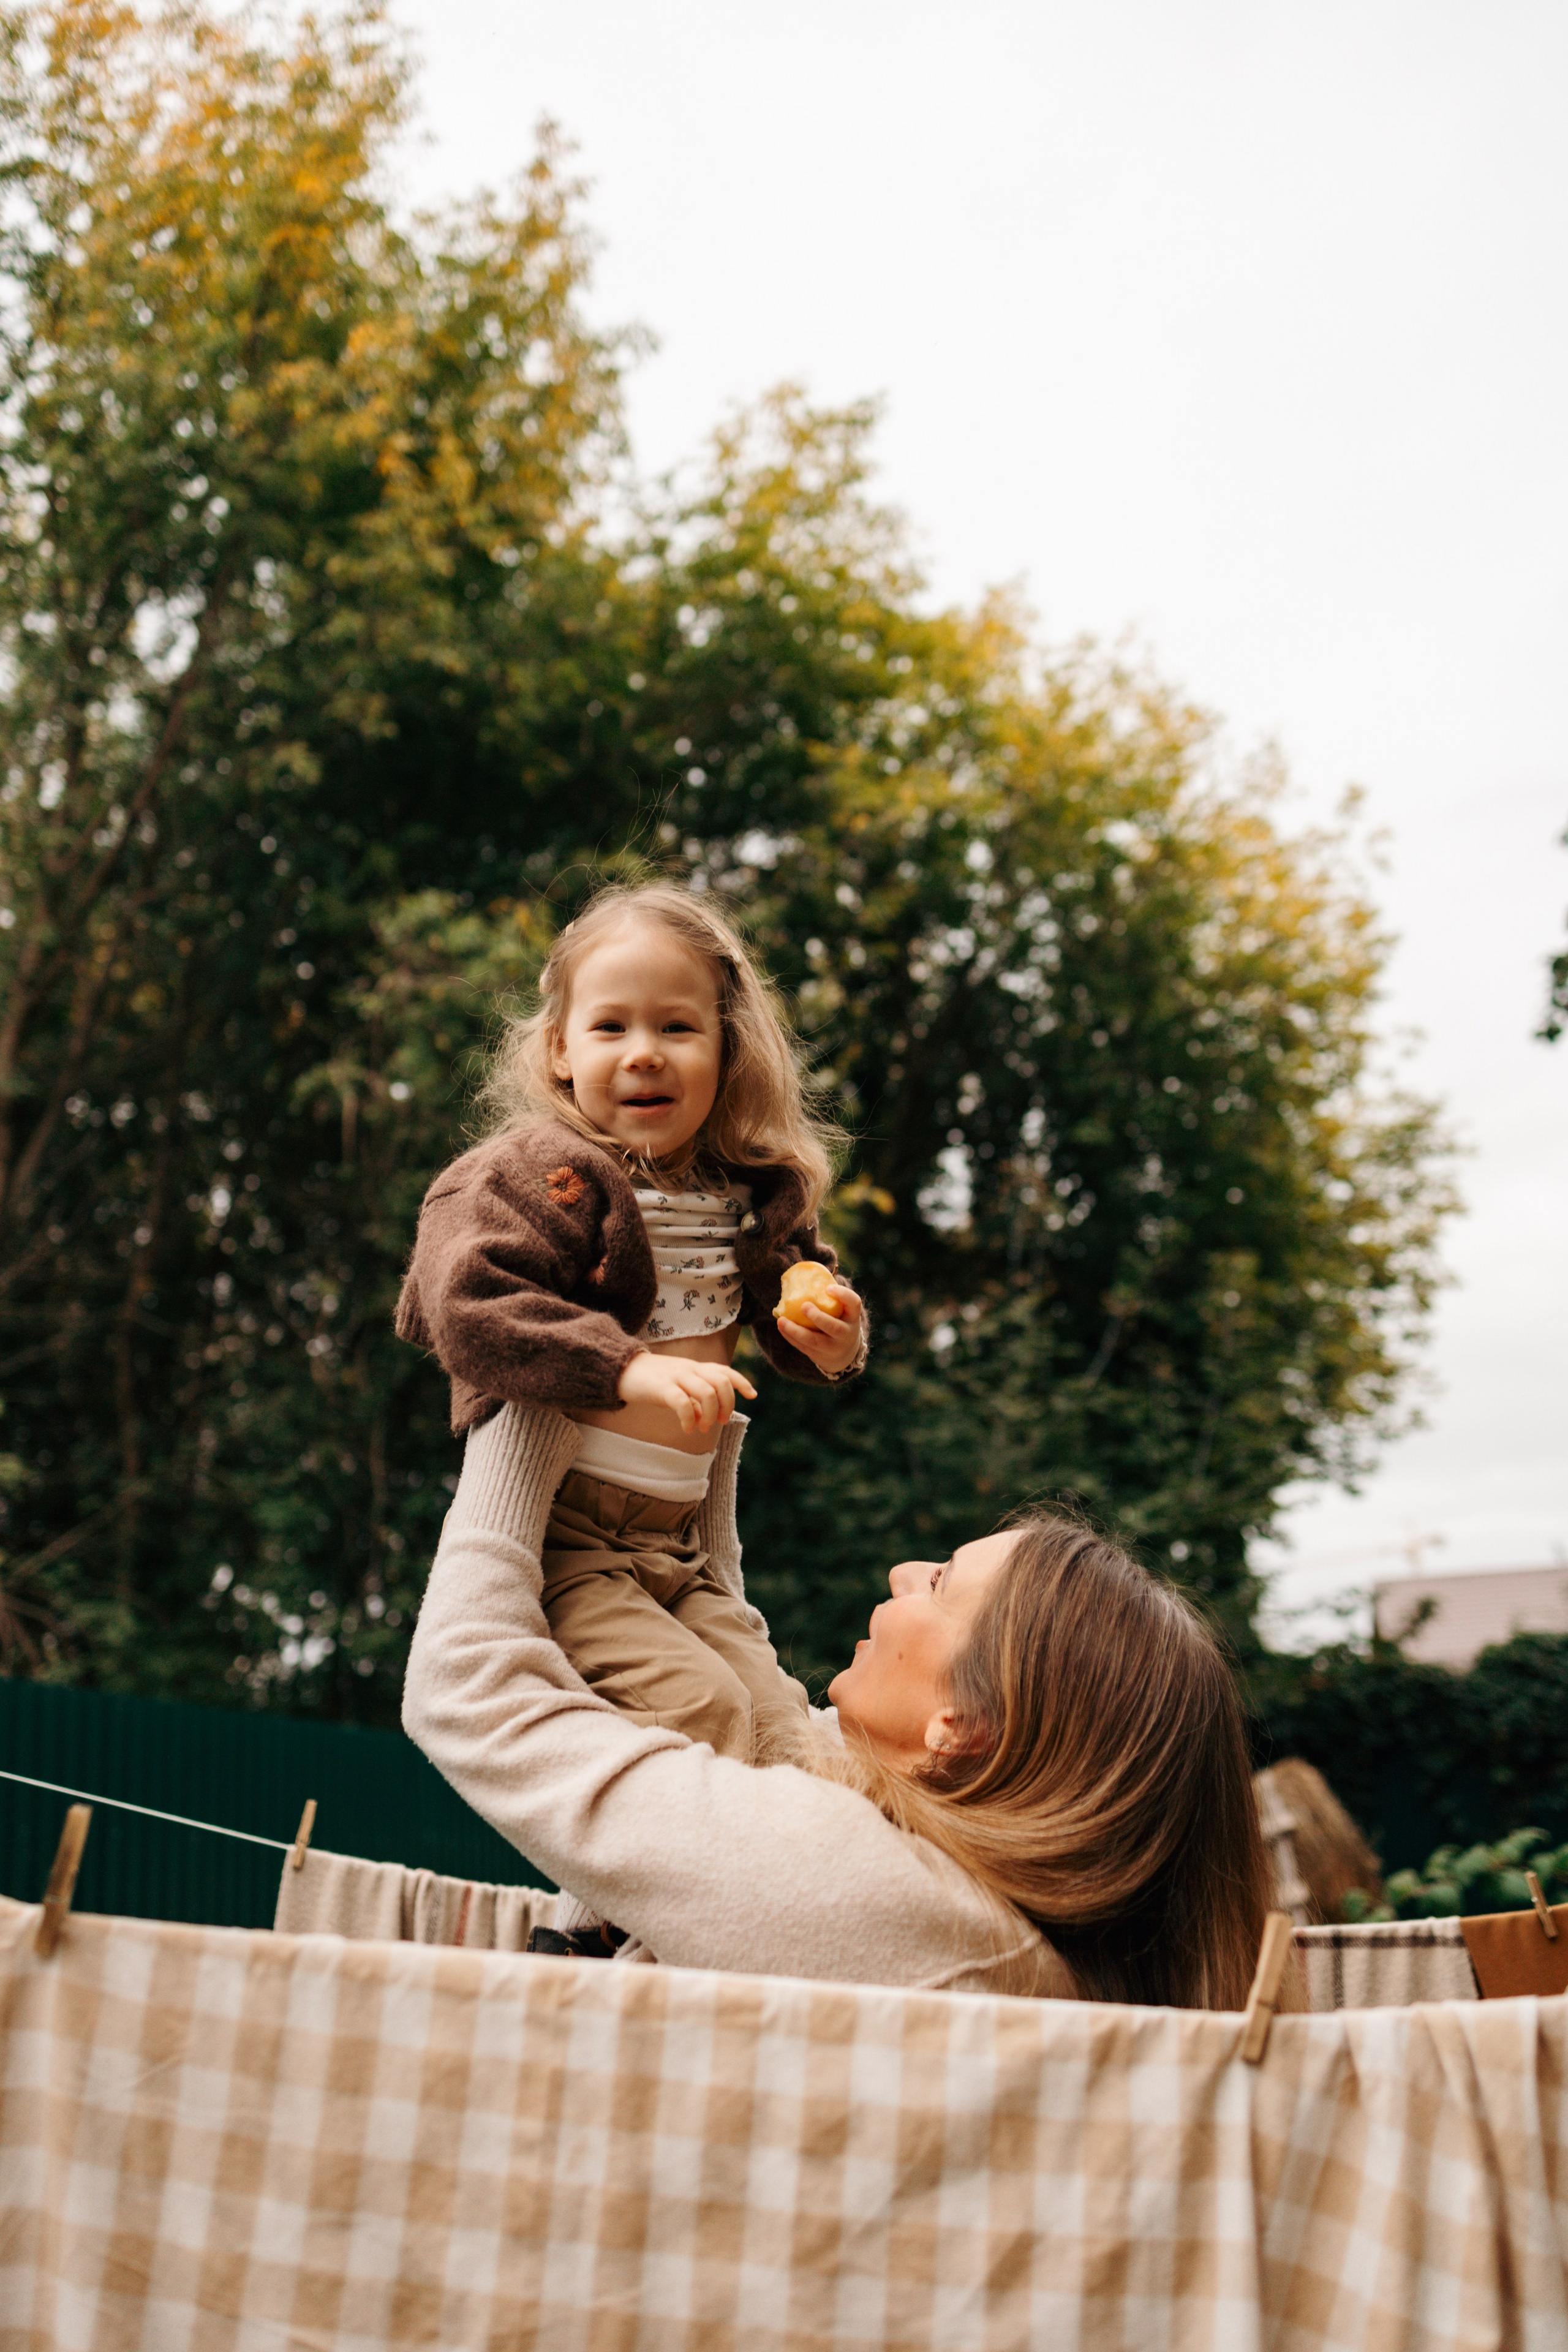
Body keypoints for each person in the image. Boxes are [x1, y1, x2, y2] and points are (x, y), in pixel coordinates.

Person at [404, 1402, 1280, 2008]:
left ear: (963, 1727)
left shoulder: (863, 1891)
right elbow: (754, 1731)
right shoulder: (965, 1909)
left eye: (938, 1585)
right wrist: (683, 1464)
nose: (902, 1572)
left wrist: (521, 1397)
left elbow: (474, 1692)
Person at [396, 882, 867, 1767]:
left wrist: (836, 1340)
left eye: (678, 1028)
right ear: (560, 1051)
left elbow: (802, 1298)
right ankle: (606, 1914)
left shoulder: (747, 1193)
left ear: (727, 1050)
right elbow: (467, 1303)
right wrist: (625, 1371)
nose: (645, 1054)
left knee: (789, 1739)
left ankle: (732, 1906)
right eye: (612, 1027)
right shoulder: (537, 1175)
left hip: (679, 1544)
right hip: (571, 1536)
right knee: (702, 1713)